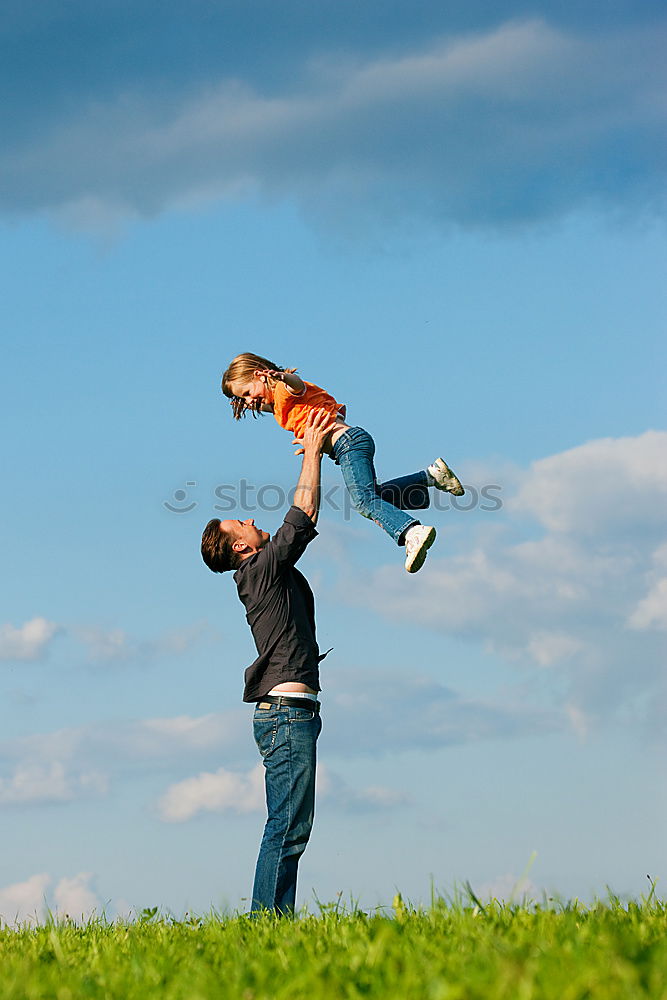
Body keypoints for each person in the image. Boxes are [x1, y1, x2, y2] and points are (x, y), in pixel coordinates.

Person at [200, 408, 337, 915]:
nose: (253, 520)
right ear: (241, 547)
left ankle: (271, 920)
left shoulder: (264, 573)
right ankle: (267, 923)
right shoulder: (257, 571)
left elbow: (296, 526)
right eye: (244, 522)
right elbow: (301, 518)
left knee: (290, 824)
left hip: (291, 713)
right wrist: (315, 455)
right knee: (288, 826)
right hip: (284, 714)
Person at [221, 351, 464, 574]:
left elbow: (297, 385)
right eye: (242, 399)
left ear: (260, 375)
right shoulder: (278, 406)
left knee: (363, 502)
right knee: (373, 497)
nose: (249, 401)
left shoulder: (285, 389)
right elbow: (267, 403)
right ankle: (430, 476)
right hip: (350, 443)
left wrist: (282, 377)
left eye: (247, 394)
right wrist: (242, 398)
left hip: (347, 444)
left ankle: (411, 531)